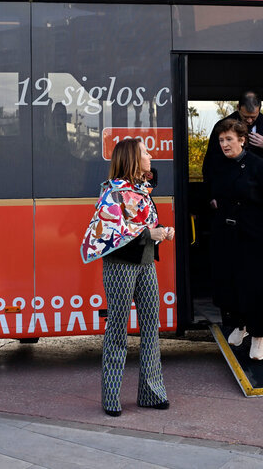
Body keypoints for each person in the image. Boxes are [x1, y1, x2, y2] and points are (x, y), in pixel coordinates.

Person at [80, 138, 175, 417]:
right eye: (145, 152)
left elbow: (144, 225)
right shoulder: (112, 192)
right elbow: (110, 233)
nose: (150, 155)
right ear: (133, 158)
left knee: (150, 330)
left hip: (146, 264)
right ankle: (111, 398)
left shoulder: (142, 190)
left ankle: (151, 394)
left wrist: (163, 231)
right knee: (118, 330)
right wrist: (151, 234)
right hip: (120, 266)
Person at [206, 118, 263, 361]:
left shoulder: (262, 166)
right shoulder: (219, 166)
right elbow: (214, 192)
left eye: (229, 139)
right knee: (228, 283)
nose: (225, 144)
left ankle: (259, 336)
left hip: (255, 236)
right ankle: (240, 325)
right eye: (221, 140)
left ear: (242, 140)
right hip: (226, 234)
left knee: (254, 288)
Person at [202, 91, 263, 179]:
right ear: (238, 108)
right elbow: (211, 159)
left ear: (259, 109)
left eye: (253, 117)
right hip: (230, 180)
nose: (249, 121)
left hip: (260, 182)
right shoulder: (222, 126)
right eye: (245, 117)